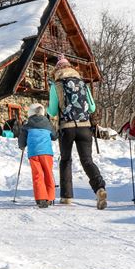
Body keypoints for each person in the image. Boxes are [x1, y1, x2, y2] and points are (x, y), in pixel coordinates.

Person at [47, 55, 107, 209]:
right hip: (85, 127)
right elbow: (92, 108)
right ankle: (99, 188)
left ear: (57, 70)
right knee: (87, 160)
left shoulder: (56, 85)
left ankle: (66, 197)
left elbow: (53, 111)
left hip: (67, 128)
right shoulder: (83, 84)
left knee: (66, 160)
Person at [18, 103, 58, 208]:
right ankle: (50, 197)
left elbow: (22, 138)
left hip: (34, 153)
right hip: (47, 153)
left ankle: (41, 198)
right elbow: (54, 136)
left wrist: (22, 146)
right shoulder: (48, 124)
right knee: (48, 174)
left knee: (38, 175)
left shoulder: (27, 125)